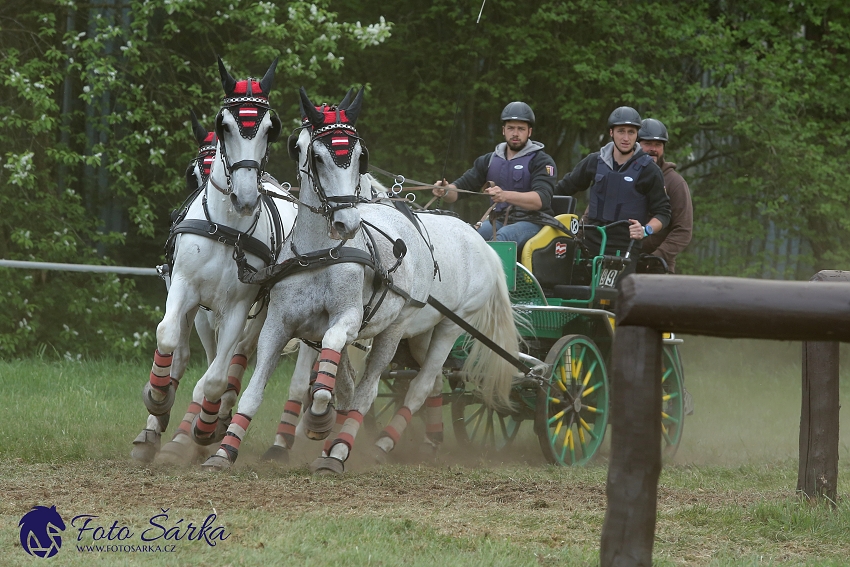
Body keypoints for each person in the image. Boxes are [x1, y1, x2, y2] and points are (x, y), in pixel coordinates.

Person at [554, 106, 671, 274]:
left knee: (618, 298)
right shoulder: (594, 161)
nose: (625, 138)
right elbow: (562, 189)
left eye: (631, 132)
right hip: (590, 244)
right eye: (621, 131)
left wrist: (645, 230)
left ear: (637, 135)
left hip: (624, 247)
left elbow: (664, 213)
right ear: (611, 132)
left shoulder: (649, 170)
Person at [432, 101, 557, 251]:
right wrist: (445, 190)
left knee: (502, 237)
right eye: (511, 128)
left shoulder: (541, 161)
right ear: (503, 130)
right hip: (497, 221)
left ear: (529, 132)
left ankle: (502, 275)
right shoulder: (489, 160)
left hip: (533, 222)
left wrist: (505, 195)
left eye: (521, 129)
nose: (515, 133)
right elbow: (459, 190)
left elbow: (541, 200)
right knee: (469, 236)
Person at [636, 118, 693, 273]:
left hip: (656, 267)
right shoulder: (622, 176)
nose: (653, 149)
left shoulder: (675, 183)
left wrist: (656, 256)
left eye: (658, 145)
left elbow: (683, 230)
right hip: (619, 260)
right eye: (647, 144)